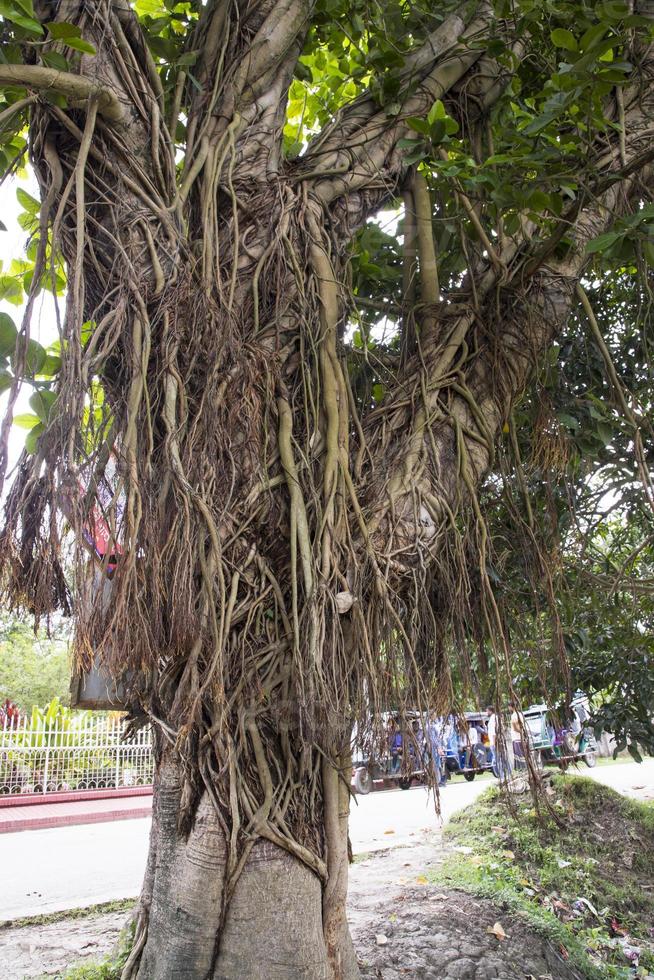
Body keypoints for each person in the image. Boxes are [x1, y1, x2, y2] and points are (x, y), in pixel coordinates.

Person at [427, 712, 447, 787]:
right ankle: (438, 781)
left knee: (440, 764)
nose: (435, 716)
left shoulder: (436, 723)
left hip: (439, 746)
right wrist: (438, 747)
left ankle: (440, 780)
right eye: (434, 715)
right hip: (434, 748)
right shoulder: (430, 725)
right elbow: (433, 738)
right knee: (436, 764)